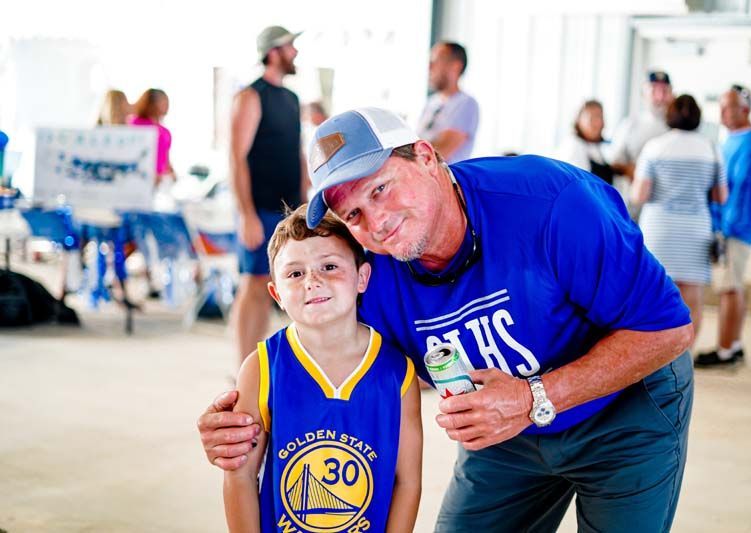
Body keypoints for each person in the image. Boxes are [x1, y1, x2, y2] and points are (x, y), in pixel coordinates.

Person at [199, 108, 694, 531]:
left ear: (427, 156)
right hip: (506, 432)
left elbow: (670, 329)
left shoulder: (552, 206)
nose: (377, 223)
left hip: (624, 411)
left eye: (380, 189)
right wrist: (241, 423)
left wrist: (532, 397)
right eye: (353, 215)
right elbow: (314, 356)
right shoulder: (370, 269)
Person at [223, 204, 422, 533]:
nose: (312, 282)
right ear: (276, 294)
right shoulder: (261, 366)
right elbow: (240, 476)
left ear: (362, 278)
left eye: (329, 266)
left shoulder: (397, 373)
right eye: (295, 274)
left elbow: (408, 482)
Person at [229, 26, 309, 364]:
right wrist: (246, 213)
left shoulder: (291, 99)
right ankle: (243, 368)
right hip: (259, 206)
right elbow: (237, 156)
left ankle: (263, 364)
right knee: (255, 283)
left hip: (290, 207)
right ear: (273, 52)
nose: (295, 53)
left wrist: (306, 202)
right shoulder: (250, 96)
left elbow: (298, 152)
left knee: (281, 284)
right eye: (290, 47)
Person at [631, 94, 728, 343]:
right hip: (695, 230)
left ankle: (655, 356)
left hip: (659, 229)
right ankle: (686, 355)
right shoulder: (711, 148)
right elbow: (720, 196)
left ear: (669, 116)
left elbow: (639, 194)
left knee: (653, 293)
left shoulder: (655, 146)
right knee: (692, 297)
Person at [695, 85, 751, 367]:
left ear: (745, 110)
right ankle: (734, 344)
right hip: (732, 226)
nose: (722, 112)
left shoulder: (750, 144)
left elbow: (741, 194)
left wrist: (724, 231)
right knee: (734, 285)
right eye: (721, 106)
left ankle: (725, 351)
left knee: (729, 287)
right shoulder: (736, 139)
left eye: (729, 107)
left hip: (734, 229)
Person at [610, 70, 674, 217]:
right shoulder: (629, 125)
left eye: (664, 91)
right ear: (643, 94)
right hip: (633, 206)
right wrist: (635, 171)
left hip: (665, 211)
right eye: (654, 90)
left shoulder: (677, 127)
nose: (660, 97)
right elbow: (614, 163)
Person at [417, 42, 479, 164]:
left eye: (436, 60)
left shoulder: (466, 104)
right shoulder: (431, 103)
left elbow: (439, 153)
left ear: (456, 66)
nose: (430, 67)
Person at [556, 99, 614, 185]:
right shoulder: (574, 145)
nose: (597, 123)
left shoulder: (596, 146)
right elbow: (581, 184)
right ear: (578, 120)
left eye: (600, 117)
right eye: (592, 118)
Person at [128, 88, 174, 184]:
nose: (167, 105)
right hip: (139, 179)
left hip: (160, 182)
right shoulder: (134, 124)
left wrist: (172, 175)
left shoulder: (165, 132)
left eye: (167, 101)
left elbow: (166, 160)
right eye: (163, 101)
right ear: (151, 104)